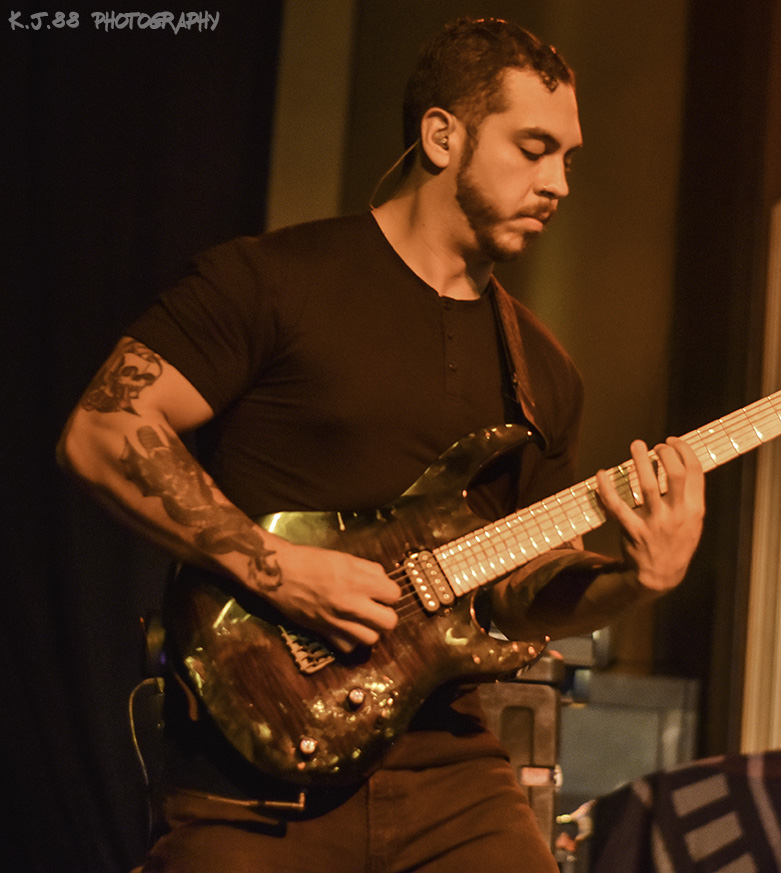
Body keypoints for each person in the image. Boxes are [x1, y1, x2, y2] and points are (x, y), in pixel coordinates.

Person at [58, 16, 705, 873]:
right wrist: (278, 568)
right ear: (444, 135)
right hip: (254, 778)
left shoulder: (545, 375)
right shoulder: (271, 281)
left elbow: (515, 597)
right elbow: (105, 431)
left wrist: (633, 581)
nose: (558, 182)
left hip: (452, 781)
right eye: (533, 147)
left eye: (568, 159)